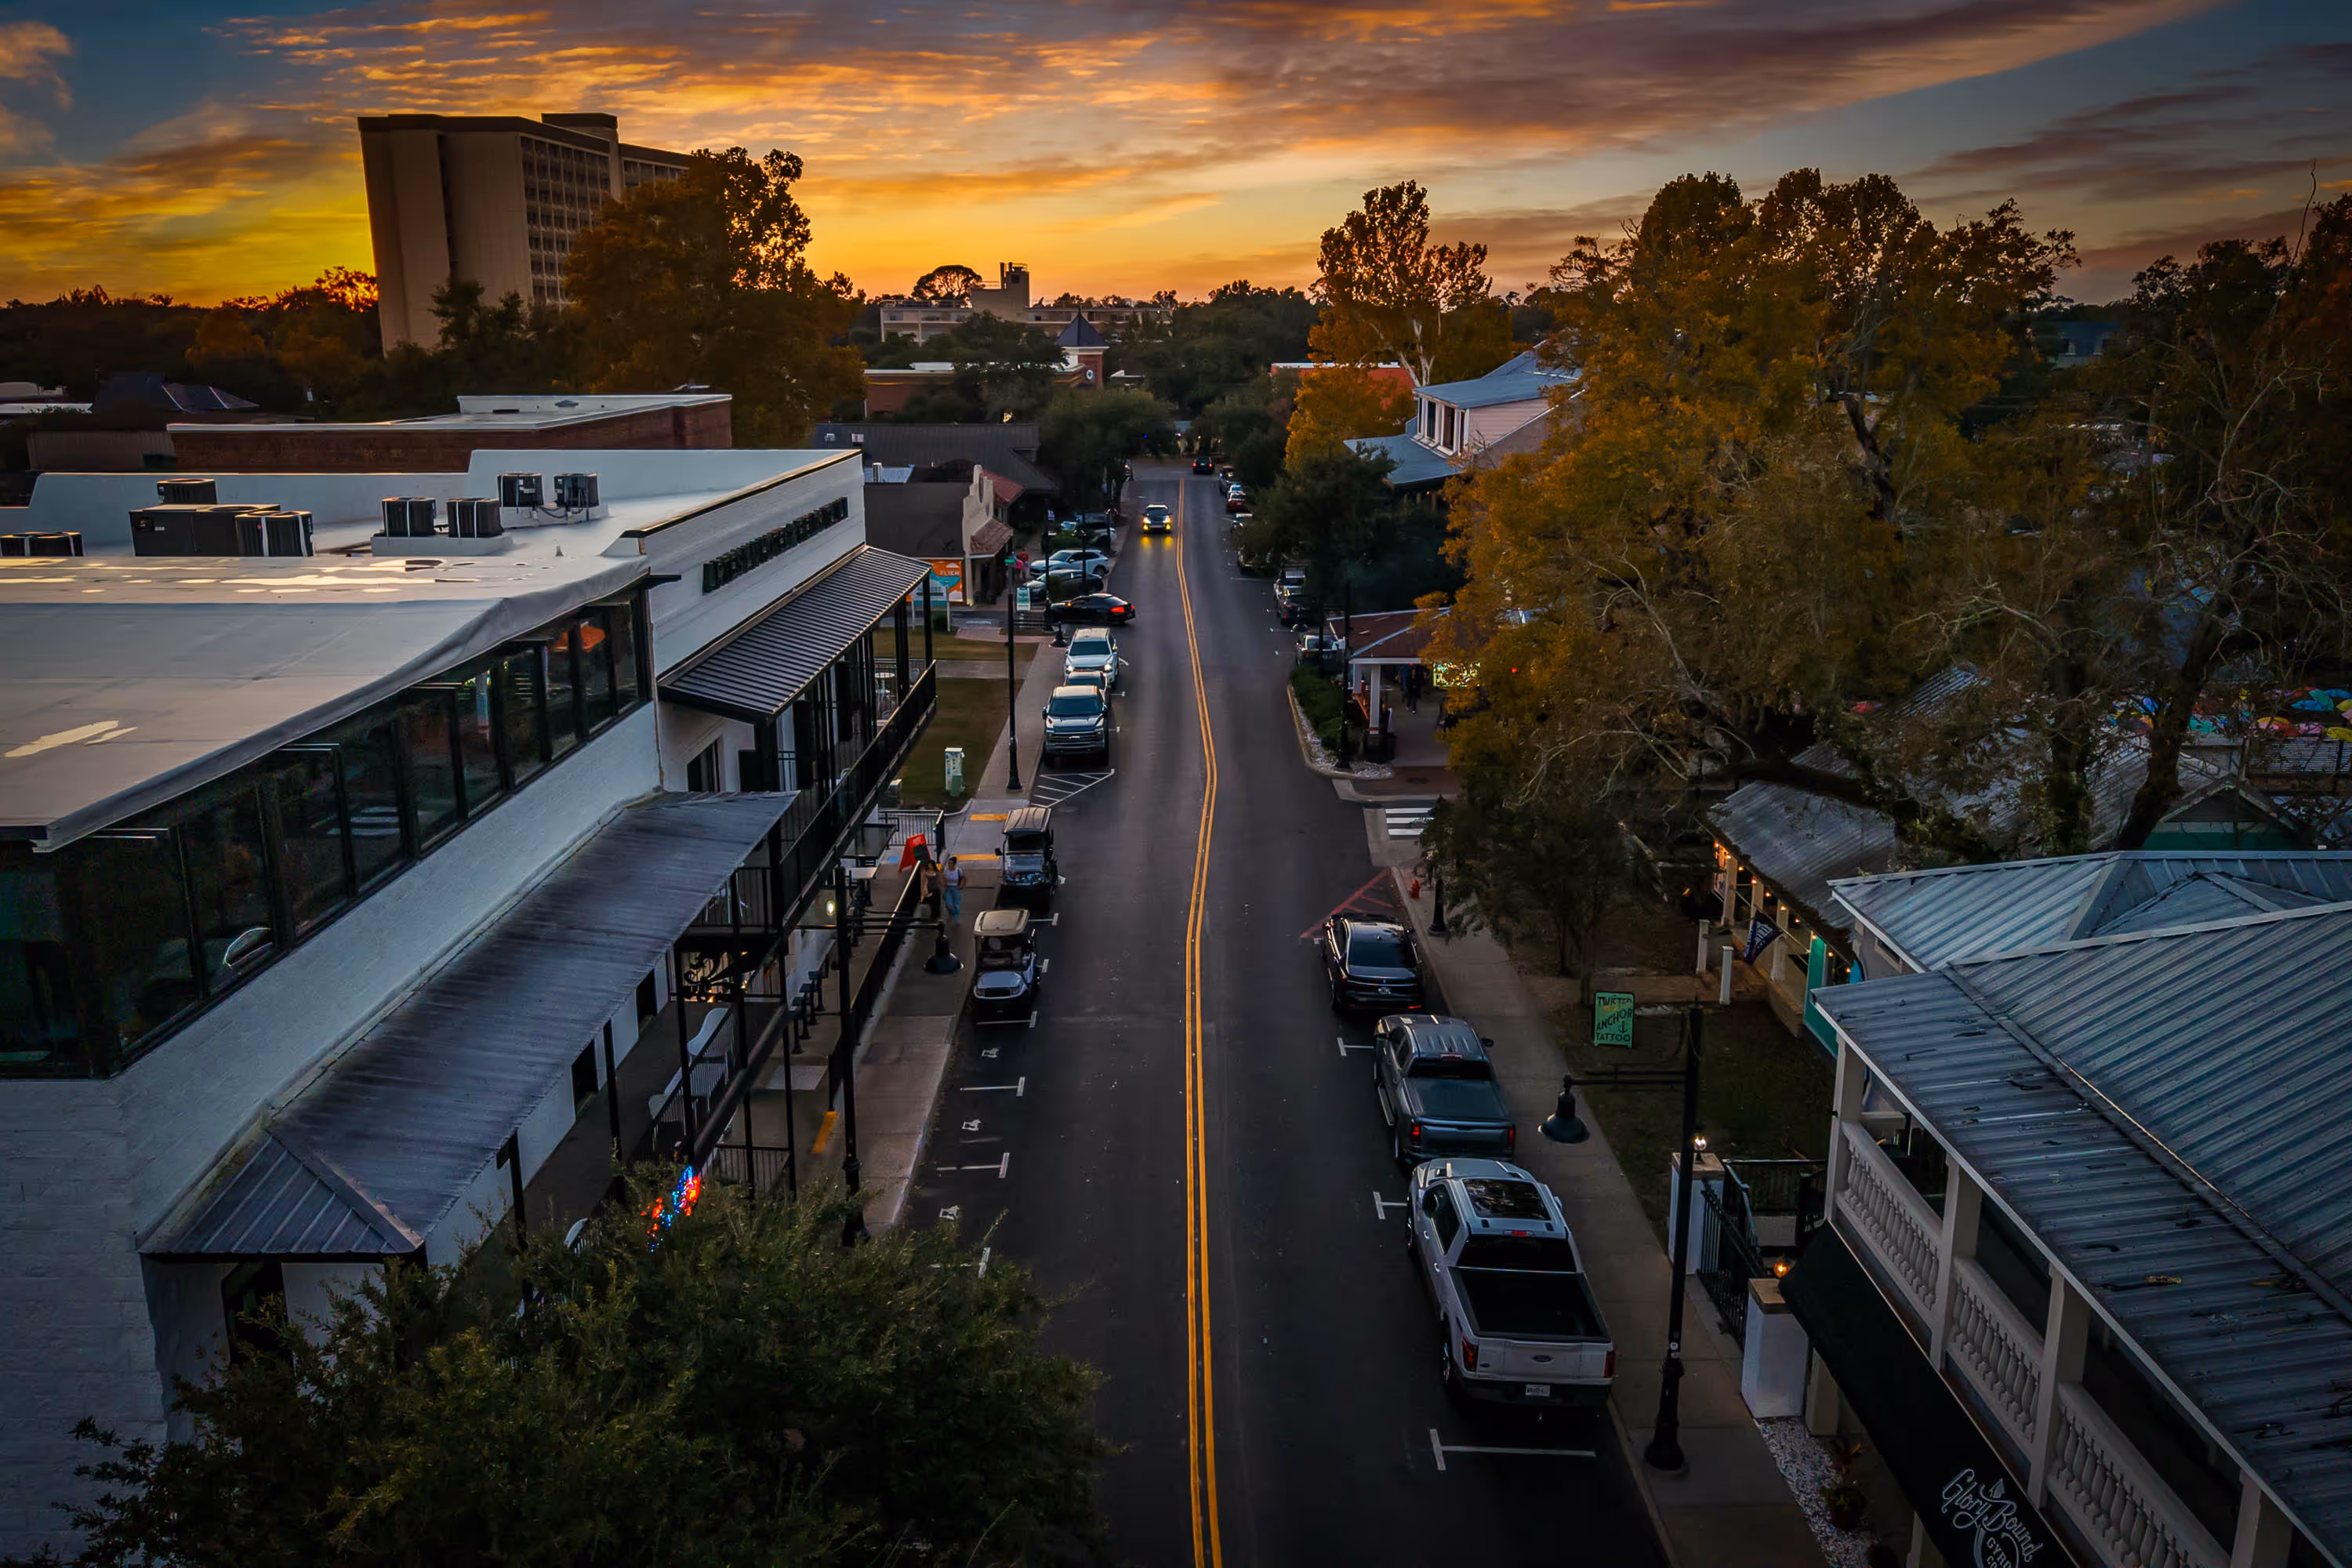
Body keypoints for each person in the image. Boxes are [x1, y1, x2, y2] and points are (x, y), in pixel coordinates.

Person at [942, 855, 965, 927]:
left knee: (956, 905)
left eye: (951, 863)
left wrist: (961, 885)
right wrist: (943, 885)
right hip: (948, 888)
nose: (949, 865)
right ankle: (951, 914)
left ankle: (956, 919)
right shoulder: (946, 871)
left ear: (954, 864)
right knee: (949, 904)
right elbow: (943, 879)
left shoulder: (958, 871)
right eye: (949, 863)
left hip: (955, 888)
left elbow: (963, 878)